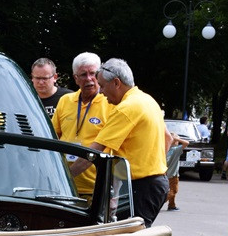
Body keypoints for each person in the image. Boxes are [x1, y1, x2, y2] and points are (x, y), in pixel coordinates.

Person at [68, 58, 168, 226]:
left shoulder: (126, 109)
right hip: (153, 183)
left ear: (116, 83)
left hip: (140, 187)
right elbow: (168, 138)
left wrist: (66, 177)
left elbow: (94, 152)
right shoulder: (147, 100)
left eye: (102, 86)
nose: (101, 92)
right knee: (132, 235)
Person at [52, 52, 111, 202]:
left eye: (93, 74)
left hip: (97, 188)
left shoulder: (110, 103)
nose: (89, 79)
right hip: (66, 187)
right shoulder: (65, 101)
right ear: (76, 78)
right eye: (83, 74)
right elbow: (52, 137)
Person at [164, 128, 189, 211]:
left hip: (166, 174)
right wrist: (176, 138)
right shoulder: (176, 149)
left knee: (171, 189)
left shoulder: (166, 149)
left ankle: (172, 205)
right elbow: (186, 143)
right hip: (173, 174)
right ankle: (160, 202)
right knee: (174, 190)